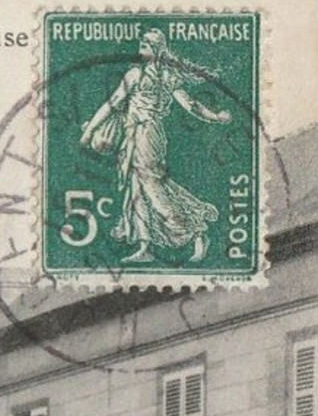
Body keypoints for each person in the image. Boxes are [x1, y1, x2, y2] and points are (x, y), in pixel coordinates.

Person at [79, 29, 233, 264]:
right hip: (133, 135)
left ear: (159, 49)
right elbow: (113, 104)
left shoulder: (157, 77)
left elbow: (190, 105)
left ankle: (193, 231)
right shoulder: (138, 74)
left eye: (148, 43)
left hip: (147, 135)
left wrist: (215, 117)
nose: (142, 44)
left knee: (151, 186)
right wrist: (90, 131)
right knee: (136, 188)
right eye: (142, 41)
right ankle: (145, 246)